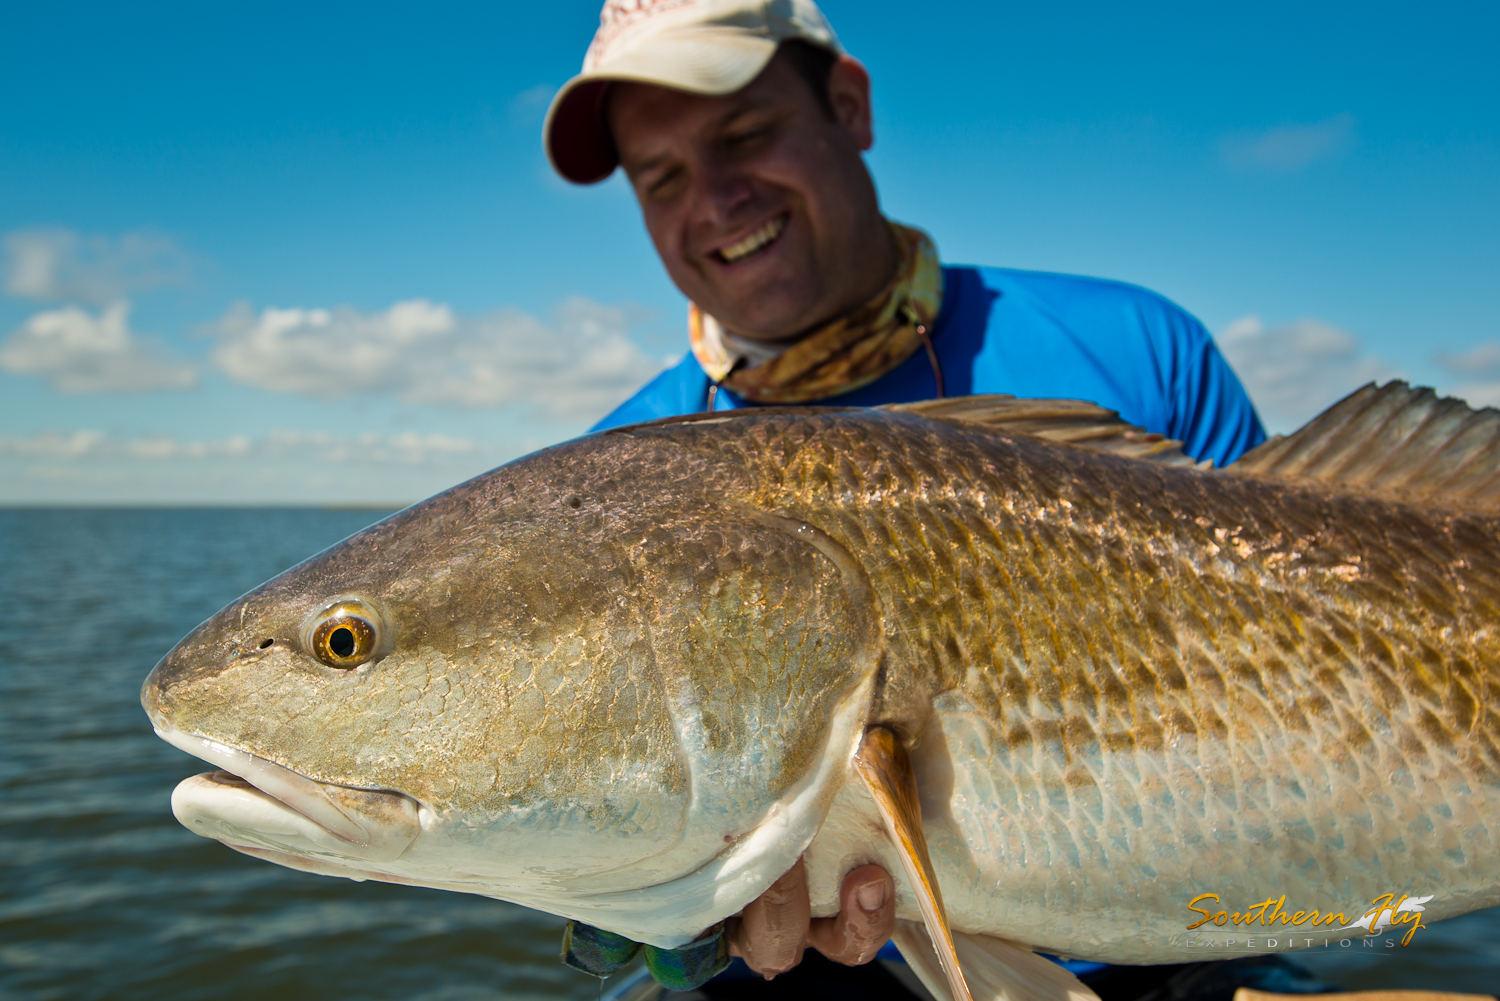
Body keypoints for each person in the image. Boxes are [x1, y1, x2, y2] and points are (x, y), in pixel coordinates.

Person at [543, 2, 1327, 999]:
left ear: (849, 105)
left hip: (1175, 946)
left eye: (745, 136)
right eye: (661, 180)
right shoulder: (603, 484)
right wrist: (637, 917)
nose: (717, 198)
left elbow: (1328, 664)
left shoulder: (1139, 348)